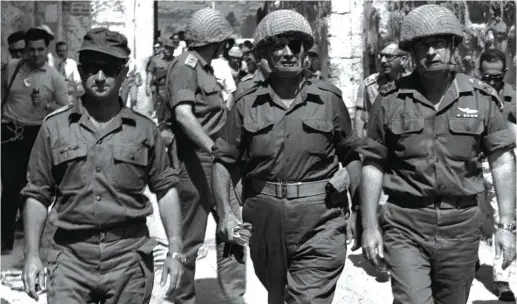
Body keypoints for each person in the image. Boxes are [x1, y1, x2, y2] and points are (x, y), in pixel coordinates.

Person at [360, 5, 516, 304]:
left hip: (461, 227)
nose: (431, 51)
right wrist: (369, 226)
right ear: (411, 53)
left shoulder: (481, 97)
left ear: (453, 46)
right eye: (422, 45)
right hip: (405, 223)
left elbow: (502, 160)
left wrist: (507, 225)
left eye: (439, 43)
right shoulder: (389, 100)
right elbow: (373, 163)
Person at [20, 27, 184, 304]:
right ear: (81, 70)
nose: (99, 77)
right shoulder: (54, 128)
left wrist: (175, 250)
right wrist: (32, 255)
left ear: (124, 73)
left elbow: (166, 189)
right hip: (70, 257)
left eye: (109, 68)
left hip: (128, 258)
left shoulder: (145, 131)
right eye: (92, 68)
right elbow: (37, 193)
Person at [212, 10, 362, 303]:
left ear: (306, 52)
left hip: (321, 220)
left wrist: (358, 209)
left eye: (295, 45)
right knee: (278, 296)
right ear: (265, 53)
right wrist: (226, 214)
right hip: (263, 219)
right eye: (278, 45)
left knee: (306, 298)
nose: (287, 52)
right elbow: (222, 161)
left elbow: (352, 156)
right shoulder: (246, 102)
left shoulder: (329, 99)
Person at [161, 8, 246, 304]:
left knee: (233, 230)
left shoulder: (206, 68)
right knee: (189, 238)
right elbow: (183, 115)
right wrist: (214, 149)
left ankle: (236, 297)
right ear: (217, 41)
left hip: (218, 163)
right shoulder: (185, 66)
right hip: (195, 162)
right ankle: (183, 298)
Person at [1, 27, 69, 254]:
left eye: (41, 49)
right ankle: (4, 241)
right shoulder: (12, 68)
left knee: (36, 187)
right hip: (10, 133)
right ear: (25, 50)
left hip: (38, 135)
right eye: (31, 50)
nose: (36, 54)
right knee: (10, 188)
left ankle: (34, 237)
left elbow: (66, 110)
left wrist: (47, 105)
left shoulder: (54, 77)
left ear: (47, 49)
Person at [477, 48, 516, 302]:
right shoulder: (466, 94)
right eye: (486, 77)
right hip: (470, 165)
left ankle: (502, 278)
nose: (491, 82)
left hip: (500, 167)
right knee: (473, 215)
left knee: (505, 218)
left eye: (496, 77)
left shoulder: (513, 97)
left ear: (504, 73)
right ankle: (469, 258)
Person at [354, 40, 407, 138]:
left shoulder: (413, 83)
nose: (383, 61)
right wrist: (359, 145)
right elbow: (360, 117)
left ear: (402, 60)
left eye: (388, 57)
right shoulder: (369, 85)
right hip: (378, 141)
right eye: (381, 56)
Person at [147, 37, 175, 118]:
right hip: (159, 88)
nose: (169, 50)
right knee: (159, 110)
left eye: (171, 49)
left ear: (173, 50)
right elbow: (150, 73)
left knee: (170, 111)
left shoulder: (176, 60)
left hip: (171, 89)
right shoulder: (155, 60)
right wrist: (148, 85)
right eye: (167, 48)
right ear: (163, 48)